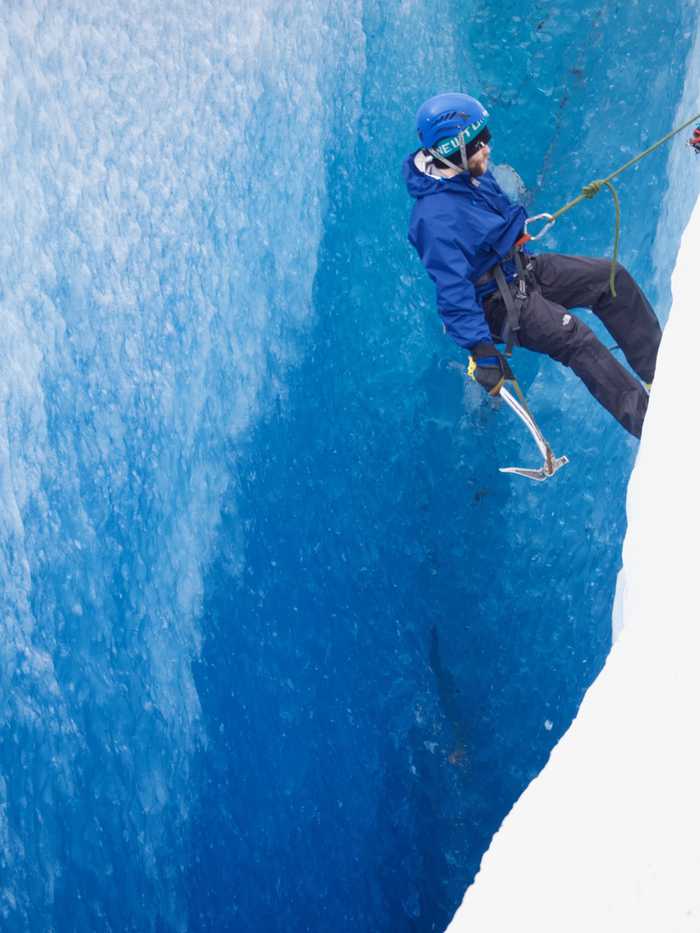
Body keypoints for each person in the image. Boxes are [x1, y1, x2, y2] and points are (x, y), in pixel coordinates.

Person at [403, 92, 663, 438]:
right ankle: (656, 427)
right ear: (454, 147)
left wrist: (513, 232)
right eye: (479, 141)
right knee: (575, 337)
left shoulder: (470, 174)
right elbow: (453, 292)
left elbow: (495, 221)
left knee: (610, 279)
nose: (488, 146)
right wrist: (482, 351)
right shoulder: (434, 220)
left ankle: (663, 375)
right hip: (498, 303)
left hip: (520, 269)